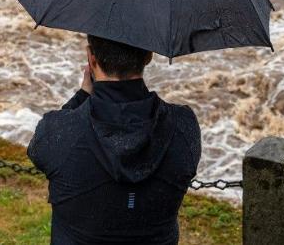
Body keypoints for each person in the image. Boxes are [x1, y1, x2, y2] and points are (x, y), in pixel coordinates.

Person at [28, 35, 202, 245]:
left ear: (91, 59)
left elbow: (39, 149)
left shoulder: (57, 132)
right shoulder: (184, 126)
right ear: (149, 55)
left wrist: (83, 96)